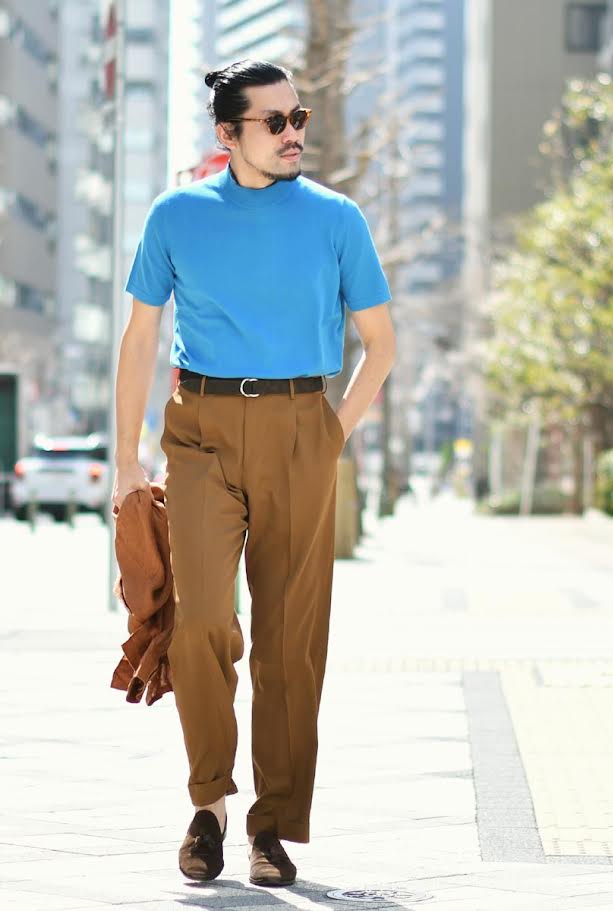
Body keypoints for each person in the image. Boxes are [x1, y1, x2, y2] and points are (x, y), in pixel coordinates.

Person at [112, 59, 396, 887]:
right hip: (199, 429)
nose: (293, 132)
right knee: (201, 619)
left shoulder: (337, 218)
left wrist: (331, 433)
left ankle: (272, 825)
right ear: (228, 133)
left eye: (296, 116)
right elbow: (140, 336)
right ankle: (208, 804)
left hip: (302, 424)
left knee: (288, 640)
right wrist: (126, 457)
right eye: (274, 121)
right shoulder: (177, 215)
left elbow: (380, 344)